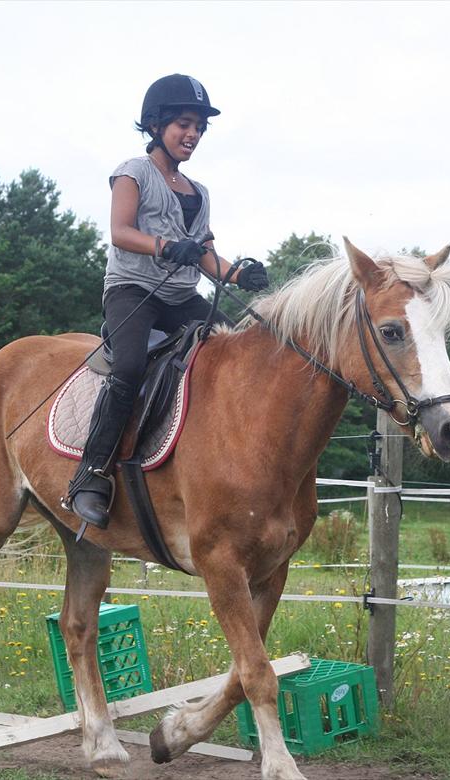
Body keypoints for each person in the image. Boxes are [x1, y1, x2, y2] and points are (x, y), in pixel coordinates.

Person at [65, 74, 269, 529]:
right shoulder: (132, 172)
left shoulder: (200, 193)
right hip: (133, 292)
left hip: (181, 297)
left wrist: (238, 274)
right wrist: (164, 246)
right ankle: (91, 474)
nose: (192, 135)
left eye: (199, 127)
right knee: (130, 367)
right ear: (156, 124)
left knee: (236, 353)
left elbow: (205, 254)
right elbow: (120, 231)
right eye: (183, 124)